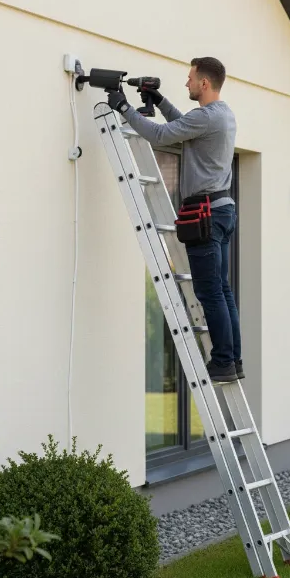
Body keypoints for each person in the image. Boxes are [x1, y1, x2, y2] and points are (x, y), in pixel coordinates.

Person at [107, 57, 242, 383]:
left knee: (210, 293)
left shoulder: (207, 117)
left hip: (206, 214)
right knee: (222, 291)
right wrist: (160, 101)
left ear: (204, 83)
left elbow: (159, 136)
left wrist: (124, 108)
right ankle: (232, 359)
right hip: (222, 210)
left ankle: (223, 360)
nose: (186, 83)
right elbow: (184, 125)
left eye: (190, 78)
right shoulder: (221, 115)